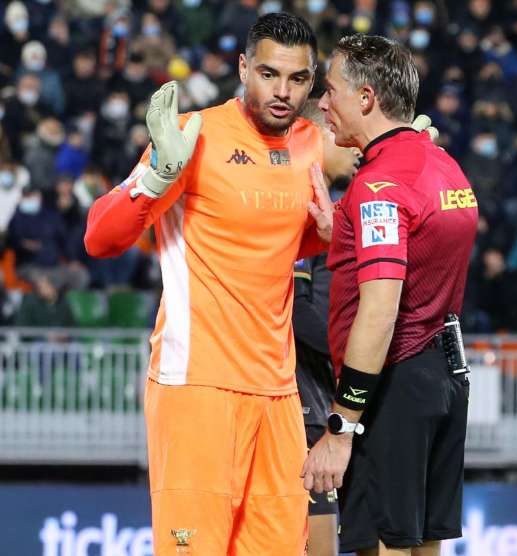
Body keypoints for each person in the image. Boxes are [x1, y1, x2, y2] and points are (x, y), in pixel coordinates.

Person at [84, 13, 333, 555]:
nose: (282, 91)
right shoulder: (190, 137)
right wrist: (154, 180)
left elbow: (285, 242)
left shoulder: (312, 143)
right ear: (243, 68)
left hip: (278, 394)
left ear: (312, 82)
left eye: (296, 79)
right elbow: (100, 239)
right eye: (268, 74)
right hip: (197, 385)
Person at [301, 34, 478, 556]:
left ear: (366, 97)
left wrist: (340, 426)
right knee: (424, 542)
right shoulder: (444, 165)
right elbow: (422, 249)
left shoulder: (380, 187)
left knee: (383, 545)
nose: (323, 103)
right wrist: (345, 233)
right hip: (444, 377)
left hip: (393, 385)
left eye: (330, 90)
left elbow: (379, 311)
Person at [294, 98, 359, 556]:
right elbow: (298, 309)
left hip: (326, 396)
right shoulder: (298, 201)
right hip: (305, 402)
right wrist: (352, 357)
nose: (354, 145)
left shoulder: (331, 205)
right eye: (341, 133)